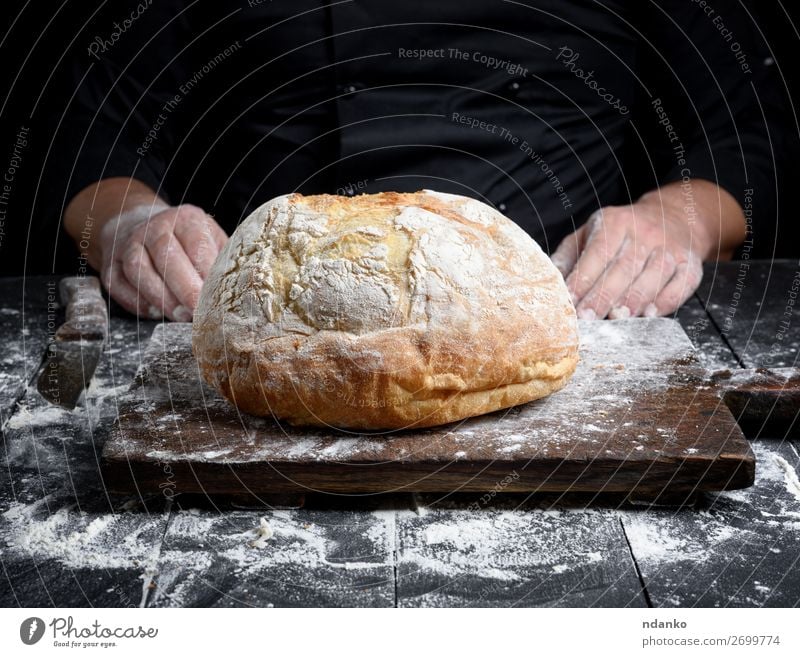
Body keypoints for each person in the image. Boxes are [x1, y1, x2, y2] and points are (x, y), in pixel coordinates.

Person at [58, 1, 776, 322]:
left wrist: (672, 223)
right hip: (267, 323)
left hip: (573, 310)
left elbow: (748, 132)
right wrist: (129, 223)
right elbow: (86, 130)